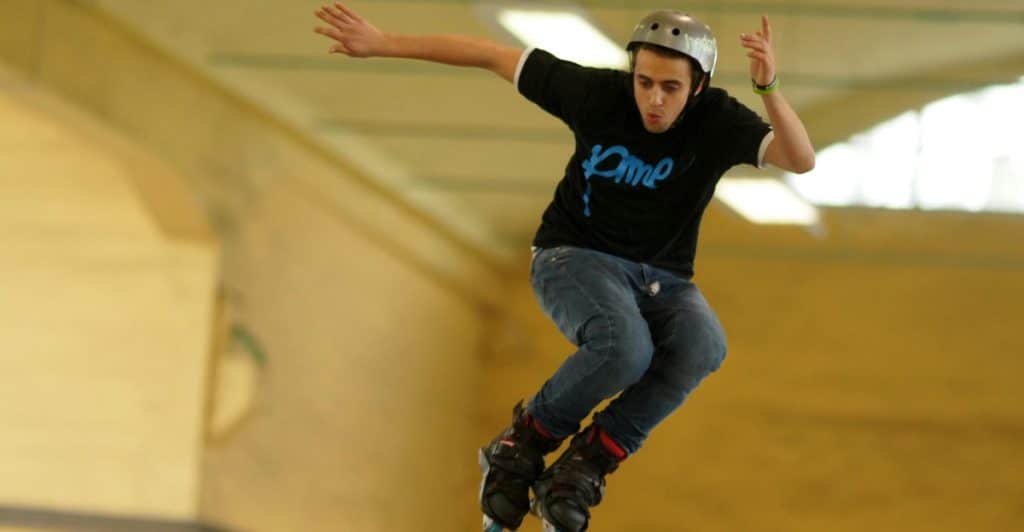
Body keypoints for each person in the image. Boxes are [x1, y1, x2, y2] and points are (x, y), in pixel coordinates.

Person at [314, 4, 814, 531]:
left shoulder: (719, 118)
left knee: (704, 344)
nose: (653, 99)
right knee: (625, 349)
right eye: (644, 82)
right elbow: (489, 55)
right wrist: (382, 42)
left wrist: (768, 89)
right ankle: (521, 444)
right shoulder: (594, 93)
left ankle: (586, 464)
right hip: (574, 256)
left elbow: (799, 158)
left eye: (670, 87)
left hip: (663, 281)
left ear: (697, 87)